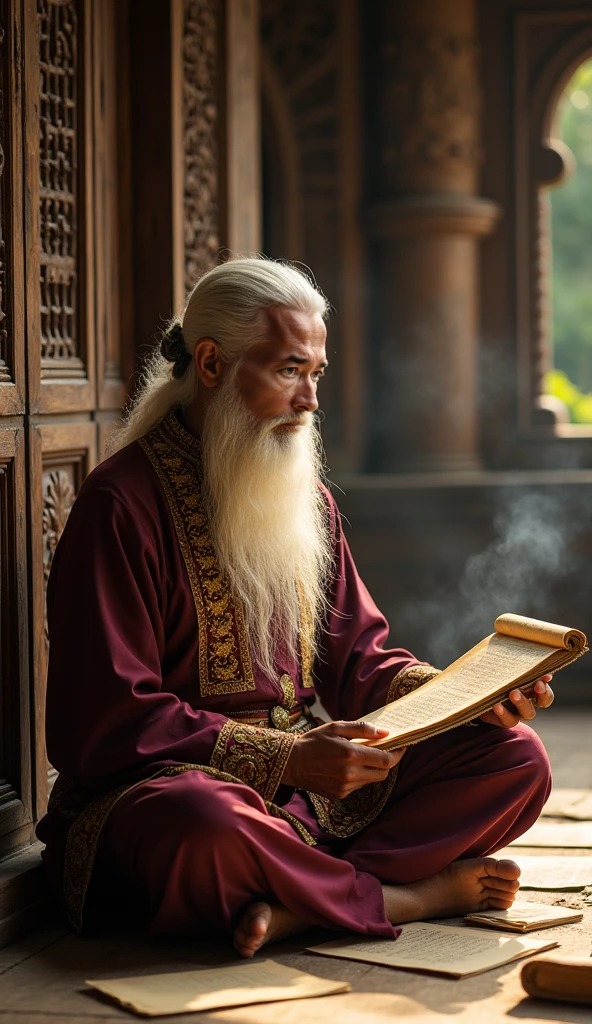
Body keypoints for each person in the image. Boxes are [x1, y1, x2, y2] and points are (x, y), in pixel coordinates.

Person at [37, 257, 553, 958]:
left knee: (515, 759)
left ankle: (296, 902)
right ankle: (405, 896)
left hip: (310, 795)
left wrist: (468, 700)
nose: (309, 400)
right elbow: (109, 721)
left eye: (317, 374)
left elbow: (361, 660)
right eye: (288, 371)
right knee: (203, 825)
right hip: (166, 796)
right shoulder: (119, 504)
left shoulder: (309, 501)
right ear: (211, 364)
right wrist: (288, 758)